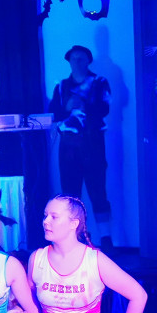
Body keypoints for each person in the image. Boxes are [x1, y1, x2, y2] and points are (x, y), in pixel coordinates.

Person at [50, 45, 113, 248]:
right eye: (73, 59)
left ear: (88, 61)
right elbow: (53, 114)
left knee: (98, 191)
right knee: (70, 195)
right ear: (69, 61)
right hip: (68, 146)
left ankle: (106, 239)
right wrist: (66, 108)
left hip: (93, 143)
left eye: (81, 58)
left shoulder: (100, 82)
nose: (77, 62)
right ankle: (76, 239)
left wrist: (85, 106)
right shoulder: (61, 86)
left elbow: (105, 108)